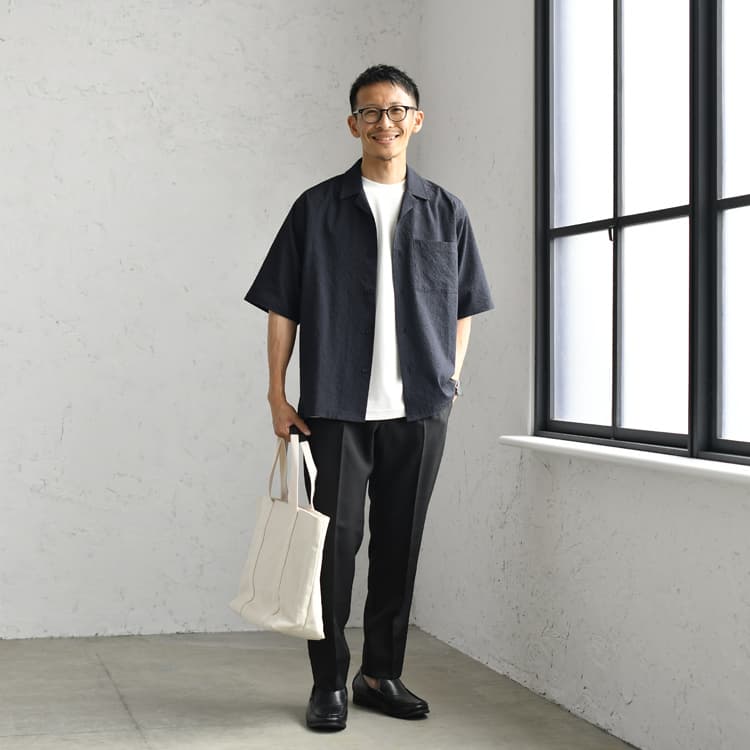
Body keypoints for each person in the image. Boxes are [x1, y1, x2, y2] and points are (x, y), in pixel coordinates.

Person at [244, 64, 493, 732]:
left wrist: (450, 378)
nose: (385, 122)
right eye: (371, 112)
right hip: (335, 408)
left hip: (420, 410)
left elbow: (464, 306)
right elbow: (282, 306)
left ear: (417, 120)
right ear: (353, 124)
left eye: (397, 110)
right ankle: (329, 681)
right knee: (333, 547)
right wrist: (276, 393)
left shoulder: (446, 211)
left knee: (400, 546)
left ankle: (381, 674)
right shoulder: (317, 208)